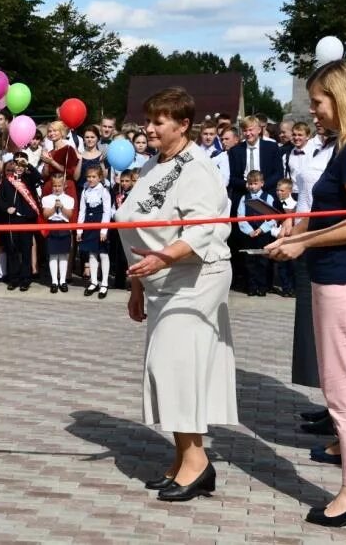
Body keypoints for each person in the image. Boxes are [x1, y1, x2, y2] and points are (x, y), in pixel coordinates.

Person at [267, 59, 346, 530]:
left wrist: (302, 241)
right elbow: (333, 213)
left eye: (318, 102)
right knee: (344, 389)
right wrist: (296, 230)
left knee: (345, 393)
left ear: (341, 98)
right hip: (335, 279)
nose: (313, 111)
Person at [114, 86, 236, 502]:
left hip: (196, 277)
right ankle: (185, 458)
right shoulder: (151, 165)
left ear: (183, 125)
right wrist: (136, 285)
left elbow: (206, 227)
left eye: (158, 121)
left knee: (173, 365)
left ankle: (197, 462)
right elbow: (131, 226)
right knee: (165, 368)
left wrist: (164, 258)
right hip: (157, 279)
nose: (149, 128)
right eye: (148, 120)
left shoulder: (198, 167)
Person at [0, 155, 41, 291]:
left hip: (26, 219)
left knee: (26, 250)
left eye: (22, 165)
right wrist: (6, 208)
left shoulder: (28, 179)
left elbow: (38, 176)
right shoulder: (7, 181)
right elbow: (0, 200)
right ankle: (14, 279)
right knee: (12, 250)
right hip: (12, 220)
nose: (19, 167)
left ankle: (25, 279)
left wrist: (28, 164)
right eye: (17, 164)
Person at [237, 170, 279, 297]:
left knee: (263, 261)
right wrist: (249, 230)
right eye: (250, 183)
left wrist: (261, 229)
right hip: (249, 235)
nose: (252, 186)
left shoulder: (268, 198)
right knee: (250, 261)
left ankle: (262, 287)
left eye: (255, 183)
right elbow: (241, 216)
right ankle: (252, 287)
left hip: (263, 234)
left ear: (262, 183)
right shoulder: (244, 198)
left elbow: (273, 217)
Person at [76, 165, 112, 298]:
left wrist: (104, 230)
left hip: (100, 223)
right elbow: (82, 211)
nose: (91, 179)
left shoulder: (104, 192)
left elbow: (107, 211)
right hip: (88, 224)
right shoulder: (85, 191)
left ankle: (104, 283)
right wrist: (79, 230)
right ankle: (94, 281)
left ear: (100, 177)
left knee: (103, 254)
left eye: (94, 177)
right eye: (89, 177)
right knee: (92, 254)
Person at [41, 170, 75, 293]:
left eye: (59, 185)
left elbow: (69, 215)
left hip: (64, 226)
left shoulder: (69, 199)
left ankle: (63, 281)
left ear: (64, 185)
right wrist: (54, 207)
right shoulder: (46, 199)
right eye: (54, 185)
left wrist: (62, 207)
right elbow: (45, 214)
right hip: (52, 226)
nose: (56, 188)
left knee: (64, 255)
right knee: (53, 255)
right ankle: (54, 281)